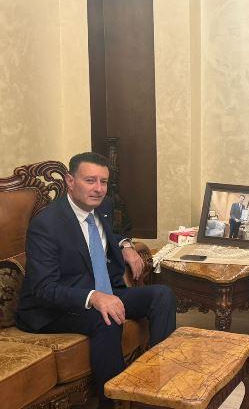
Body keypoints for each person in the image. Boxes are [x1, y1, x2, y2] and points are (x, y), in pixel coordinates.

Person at [17, 152, 176, 406]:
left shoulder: (104, 206)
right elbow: (43, 289)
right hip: (56, 307)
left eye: (103, 182)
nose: (98, 189)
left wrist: (125, 245)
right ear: (70, 181)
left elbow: (109, 232)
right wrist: (93, 297)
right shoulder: (46, 224)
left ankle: (158, 388)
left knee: (162, 294)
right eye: (90, 180)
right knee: (107, 317)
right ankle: (110, 402)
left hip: (104, 291)